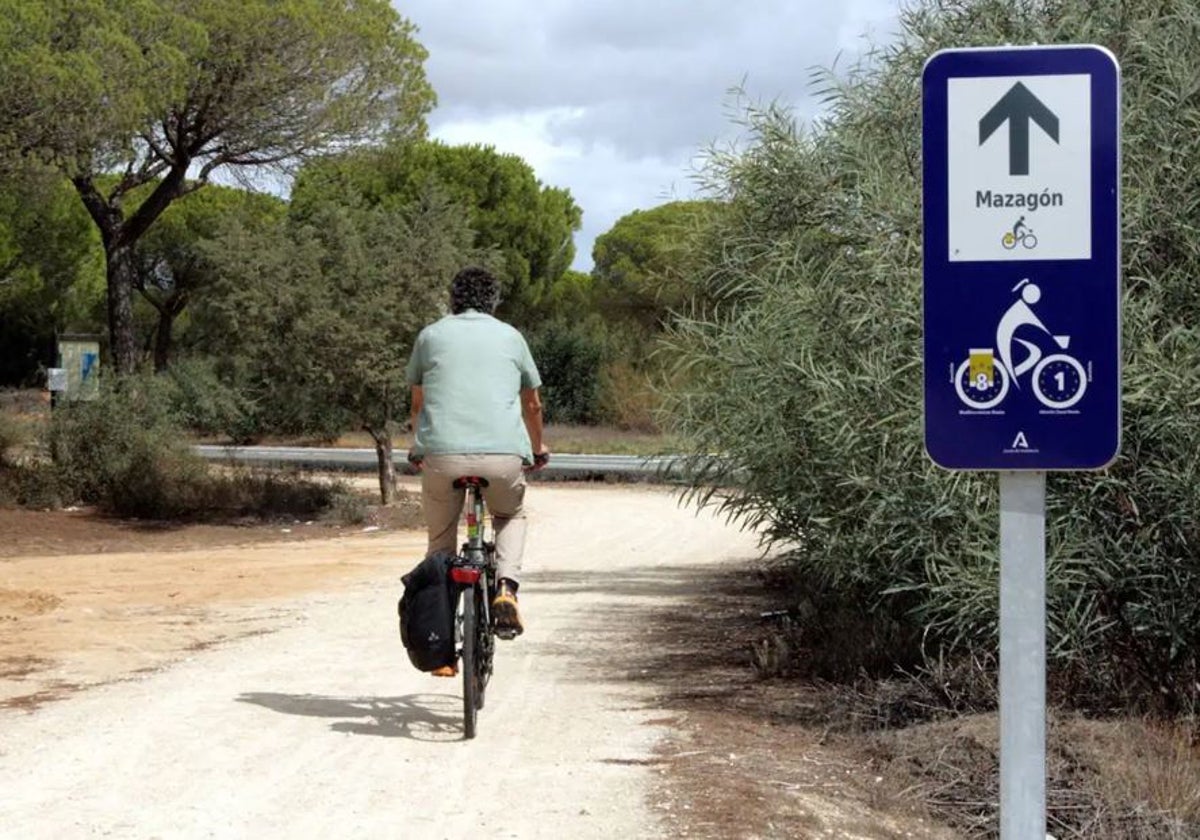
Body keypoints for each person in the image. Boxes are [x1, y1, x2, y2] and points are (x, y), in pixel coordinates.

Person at [405, 266, 549, 662]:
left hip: (441, 455)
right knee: (510, 515)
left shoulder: (430, 335)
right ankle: (506, 588)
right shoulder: (511, 336)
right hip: (502, 457)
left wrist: (418, 447)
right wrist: (537, 448)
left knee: (441, 543)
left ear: (453, 299)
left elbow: (418, 405)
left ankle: (439, 636)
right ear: (493, 301)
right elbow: (532, 404)